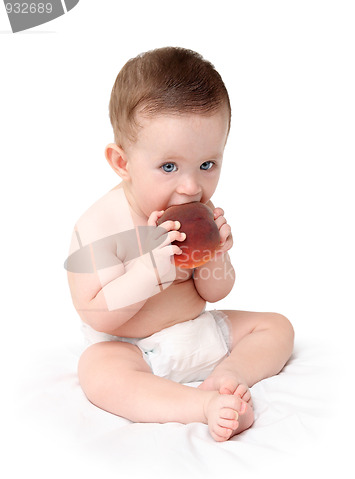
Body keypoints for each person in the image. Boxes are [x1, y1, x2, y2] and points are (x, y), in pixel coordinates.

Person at [66, 47, 294, 442]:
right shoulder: (100, 225)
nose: (191, 187)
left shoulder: (196, 210)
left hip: (201, 330)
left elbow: (216, 292)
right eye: (169, 167)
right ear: (122, 163)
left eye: (207, 165)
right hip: (133, 350)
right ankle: (202, 406)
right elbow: (97, 314)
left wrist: (215, 256)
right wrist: (149, 272)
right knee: (97, 372)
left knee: (277, 327)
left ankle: (229, 376)